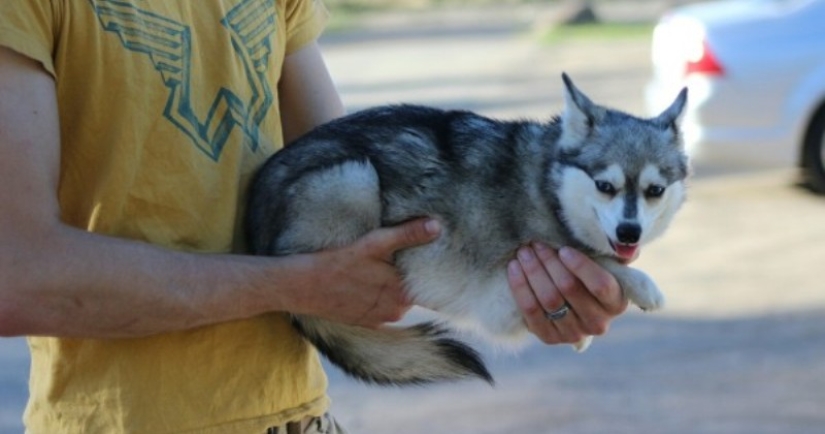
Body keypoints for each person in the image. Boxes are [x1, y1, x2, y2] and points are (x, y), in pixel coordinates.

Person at [0, 0, 628, 432]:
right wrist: (293, 285)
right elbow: (18, 277)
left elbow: (369, 198)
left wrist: (534, 278)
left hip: (300, 418)